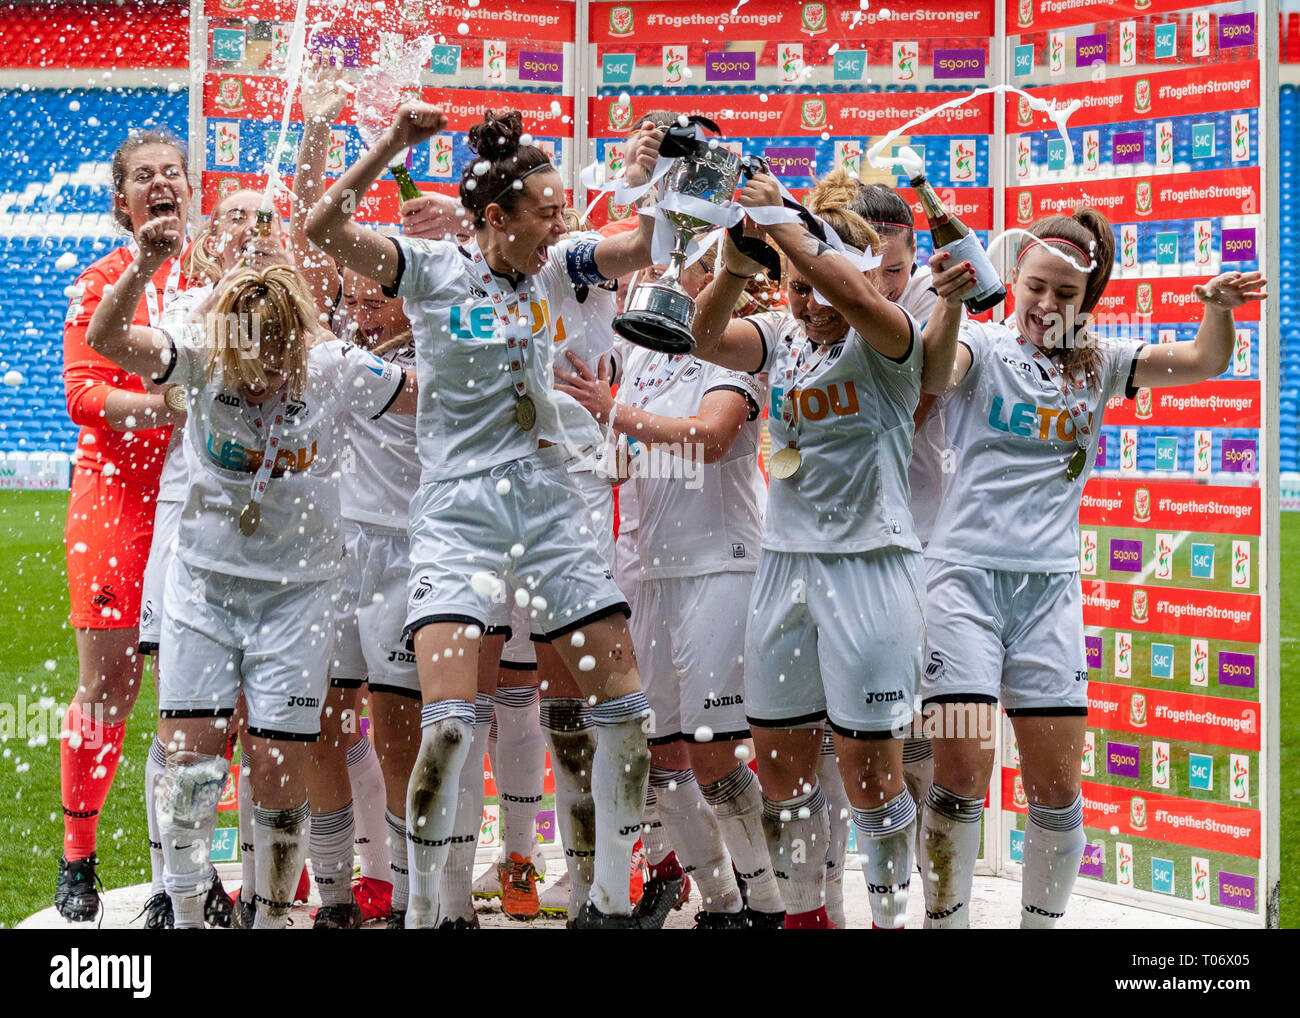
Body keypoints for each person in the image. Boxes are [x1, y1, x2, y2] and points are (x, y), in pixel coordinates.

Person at [307, 103, 666, 928]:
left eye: (563, 213)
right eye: (546, 213)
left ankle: (606, 904)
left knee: (626, 716)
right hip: (458, 518)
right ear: (496, 218)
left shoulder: (559, 264)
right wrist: (393, 146)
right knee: (448, 732)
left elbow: (643, 246)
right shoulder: (431, 268)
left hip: (548, 509)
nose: (561, 226)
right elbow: (324, 225)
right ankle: (427, 913)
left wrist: (651, 177)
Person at [917, 208, 1267, 928]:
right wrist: (950, 302)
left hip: (1048, 595)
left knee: (1056, 789)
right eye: (1036, 287)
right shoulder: (980, 347)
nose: (1047, 305)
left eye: (1066, 295)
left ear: (1089, 296)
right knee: (959, 778)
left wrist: (1216, 311)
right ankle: (944, 922)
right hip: (960, 587)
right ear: (1013, 279)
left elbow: (1207, 362)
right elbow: (929, 369)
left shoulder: (1103, 363)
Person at [85, 216, 418, 928]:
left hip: (299, 598)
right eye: (255, 357)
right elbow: (106, 341)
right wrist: (143, 264)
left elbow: (433, 396)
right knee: (192, 766)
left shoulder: (332, 364)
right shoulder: (204, 351)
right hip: (203, 589)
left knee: (274, 768)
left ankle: (267, 916)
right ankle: (182, 908)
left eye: (280, 356)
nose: (267, 372)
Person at [689, 166, 949, 928]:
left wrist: (783, 218)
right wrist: (740, 259)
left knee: (871, 777)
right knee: (778, 769)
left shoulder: (890, 333)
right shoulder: (782, 339)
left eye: (818, 283)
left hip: (871, 569)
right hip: (784, 568)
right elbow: (704, 335)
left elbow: (859, 295)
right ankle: (806, 916)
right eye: (798, 289)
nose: (810, 302)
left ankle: (890, 919)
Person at [557, 249, 788, 930]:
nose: (668, 275)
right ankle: (719, 902)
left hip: (722, 565)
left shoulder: (735, 352)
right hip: (652, 573)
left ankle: (768, 903)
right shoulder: (647, 354)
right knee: (659, 754)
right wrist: (572, 441)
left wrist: (615, 414)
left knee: (715, 749)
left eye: (693, 264)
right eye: (670, 264)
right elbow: (628, 460)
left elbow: (711, 440)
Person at [56, 130, 196, 922]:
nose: (159, 183)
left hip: (198, 500)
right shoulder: (102, 280)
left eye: (171, 172)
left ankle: (192, 867)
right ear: (122, 202)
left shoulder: (214, 277)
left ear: (190, 186)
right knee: (110, 685)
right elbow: (81, 397)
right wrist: (165, 406)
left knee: (204, 690)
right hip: (115, 499)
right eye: (143, 176)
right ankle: (79, 859)